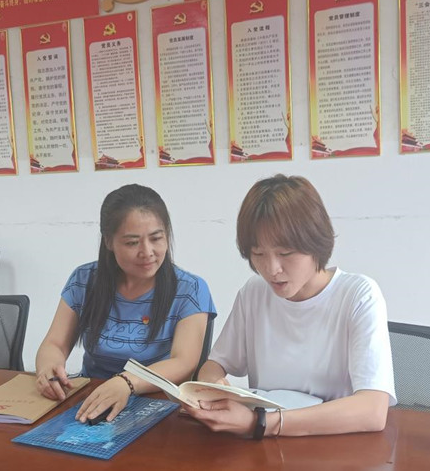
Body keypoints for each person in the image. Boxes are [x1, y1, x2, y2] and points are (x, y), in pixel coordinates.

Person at [187, 175, 395, 437]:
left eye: (285, 253)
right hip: (267, 447)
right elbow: (215, 364)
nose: (272, 269)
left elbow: (373, 410)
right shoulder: (254, 292)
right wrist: (212, 386)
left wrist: (260, 423)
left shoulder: (358, 295)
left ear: (315, 243)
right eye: (258, 254)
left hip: (334, 443)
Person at [36, 184, 215, 423]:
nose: (147, 252)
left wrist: (126, 383)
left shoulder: (190, 289)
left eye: (156, 238)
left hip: (158, 405)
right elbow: (54, 343)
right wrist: (48, 369)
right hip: (92, 401)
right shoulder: (84, 280)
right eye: (132, 243)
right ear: (109, 242)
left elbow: (184, 361)